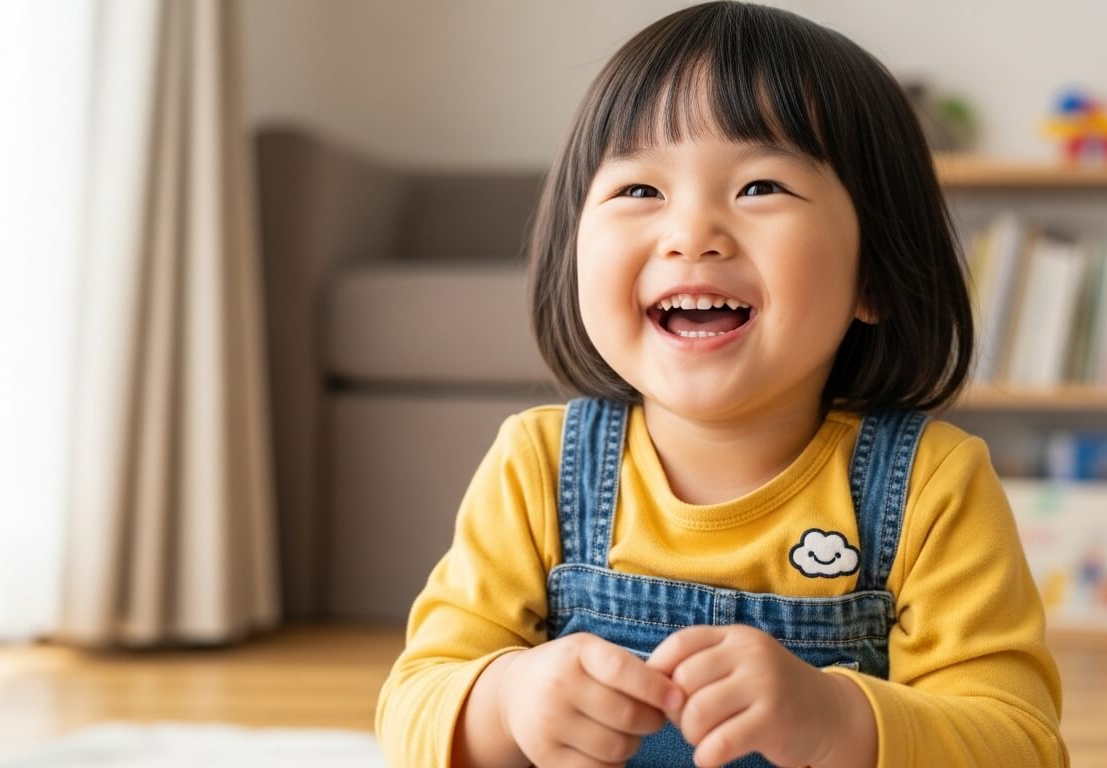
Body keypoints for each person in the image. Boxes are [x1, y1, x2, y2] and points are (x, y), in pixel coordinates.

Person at [376, 2, 1067, 766]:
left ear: (873, 273)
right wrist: (508, 699)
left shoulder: (932, 488)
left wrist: (842, 719)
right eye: (640, 191)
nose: (691, 234)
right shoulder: (537, 466)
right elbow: (414, 704)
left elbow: (1019, 744)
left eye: (760, 186)